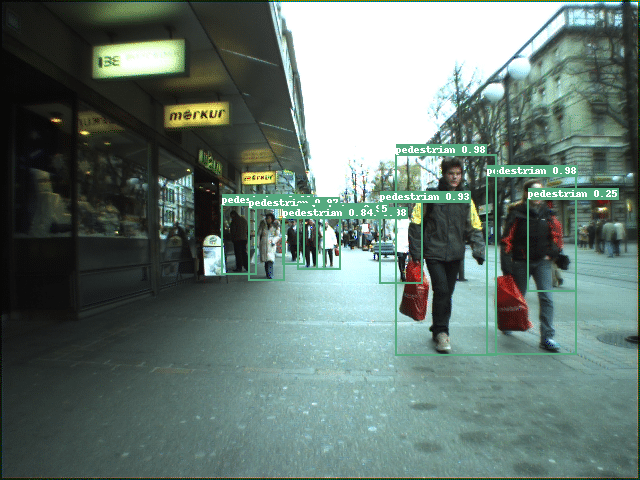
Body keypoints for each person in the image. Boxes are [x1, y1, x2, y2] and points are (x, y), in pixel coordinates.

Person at [408, 158, 485, 353]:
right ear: (444, 174)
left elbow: (474, 225)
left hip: (455, 254)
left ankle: (437, 327)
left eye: (458, 174)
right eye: (451, 173)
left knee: (446, 293)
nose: (455, 177)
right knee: (441, 290)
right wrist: (416, 252)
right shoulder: (430, 196)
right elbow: (416, 223)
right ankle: (443, 333)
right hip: (434, 252)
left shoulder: (466, 199)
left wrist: (478, 249)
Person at [501, 179, 564, 352]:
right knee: (518, 296)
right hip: (521, 262)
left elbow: (557, 236)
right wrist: (507, 266)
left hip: (542, 262)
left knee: (547, 298)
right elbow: (507, 240)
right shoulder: (517, 213)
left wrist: (553, 252)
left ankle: (547, 337)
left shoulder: (548, 214)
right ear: (527, 194)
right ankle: (508, 322)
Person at [257, 212, 280, 279]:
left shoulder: (275, 226)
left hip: (271, 245)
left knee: (270, 260)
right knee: (266, 260)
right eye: (267, 218)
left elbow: (278, 236)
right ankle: (268, 274)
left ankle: (270, 274)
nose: (268, 219)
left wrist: (273, 241)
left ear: (272, 219)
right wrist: (258, 243)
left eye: (269, 218)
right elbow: (259, 234)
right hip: (263, 244)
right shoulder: (263, 224)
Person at [394, 214, 410, 282]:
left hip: (406, 241)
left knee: (403, 257)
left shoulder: (408, 221)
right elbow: (393, 231)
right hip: (399, 242)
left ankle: (404, 272)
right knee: (401, 258)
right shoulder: (396, 221)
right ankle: (402, 273)